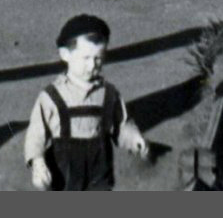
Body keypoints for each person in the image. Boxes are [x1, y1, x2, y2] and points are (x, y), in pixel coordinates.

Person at [24, 14, 148, 191]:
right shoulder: (52, 97)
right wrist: (37, 161)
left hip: (99, 172)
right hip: (64, 174)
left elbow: (121, 124)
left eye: (98, 58)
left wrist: (133, 138)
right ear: (65, 54)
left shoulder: (108, 94)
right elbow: (36, 133)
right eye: (85, 58)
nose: (92, 66)